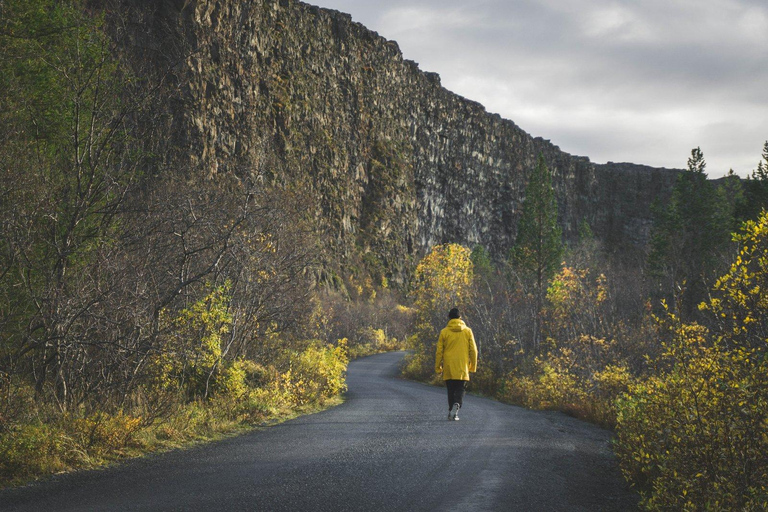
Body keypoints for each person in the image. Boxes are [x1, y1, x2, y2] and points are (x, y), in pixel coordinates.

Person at [435, 308, 478, 421]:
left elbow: (439, 351)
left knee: (450, 389)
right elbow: (473, 350)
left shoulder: (444, 332)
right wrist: (473, 365)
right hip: (462, 365)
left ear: (449, 318)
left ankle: (451, 412)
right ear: (460, 317)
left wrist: (438, 367)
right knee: (460, 388)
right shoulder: (468, 331)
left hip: (448, 365)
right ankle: (457, 404)